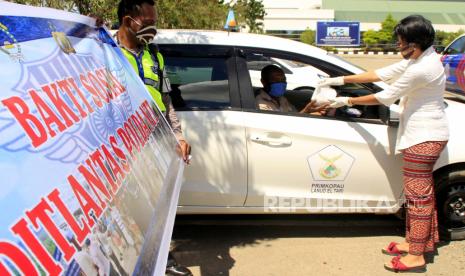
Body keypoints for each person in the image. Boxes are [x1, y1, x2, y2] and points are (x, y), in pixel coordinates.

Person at [319, 15, 449, 273]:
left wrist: (347, 102)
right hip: (423, 134)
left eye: (401, 42)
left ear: (414, 43)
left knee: (418, 198)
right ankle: (418, 243)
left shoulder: (423, 67)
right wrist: (340, 80)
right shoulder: (422, 58)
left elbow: (386, 96)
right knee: (420, 195)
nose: (398, 45)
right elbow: (383, 73)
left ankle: (416, 256)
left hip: (424, 137)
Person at [115, 1, 192, 275]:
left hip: (154, 145)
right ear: (128, 20)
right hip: (121, 151)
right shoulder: (105, 53)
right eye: (148, 22)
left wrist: (178, 137)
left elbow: (167, 102)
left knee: (157, 206)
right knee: (126, 210)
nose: (154, 29)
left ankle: (161, 262)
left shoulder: (155, 57)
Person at [256, 65, 329, 114]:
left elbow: (295, 115)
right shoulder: (260, 102)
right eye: (276, 80)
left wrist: (309, 111)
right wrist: (306, 111)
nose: (281, 83)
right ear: (263, 82)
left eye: (283, 80)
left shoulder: (282, 99)